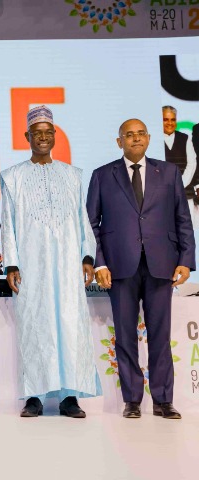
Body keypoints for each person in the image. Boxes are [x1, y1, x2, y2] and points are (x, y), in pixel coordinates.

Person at [86, 118, 195, 419]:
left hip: (162, 264)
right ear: (119, 141)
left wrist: (186, 259)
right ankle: (132, 400)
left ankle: (163, 400)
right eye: (129, 135)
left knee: (160, 334)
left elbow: (183, 219)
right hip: (120, 266)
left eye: (140, 134)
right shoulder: (102, 175)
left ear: (148, 138)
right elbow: (91, 224)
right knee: (125, 335)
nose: (135, 139)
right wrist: (99, 262)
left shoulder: (169, 172)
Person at [0, 105, 100, 418]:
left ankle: (70, 396)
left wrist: (87, 256)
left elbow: (83, 219)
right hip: (31, 265)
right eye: (37, 133)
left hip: (68, 263)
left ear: (55, 135)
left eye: (48, 133)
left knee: (70, 324)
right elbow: (8, 222)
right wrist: (11, 264)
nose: (42, 138)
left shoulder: (72, 175)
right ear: (26, 137)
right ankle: (35, 396)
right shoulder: (12, 177)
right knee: (34, 326)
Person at [162, 106, 198, 225]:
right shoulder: (154, 140)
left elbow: (192, 163)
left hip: (185, 193)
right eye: (166, 119)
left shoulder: (185, 138)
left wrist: (180, 184)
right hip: (162, 195)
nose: (170, 123)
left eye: (173, 119)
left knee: (188, 228)